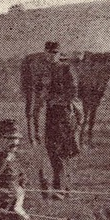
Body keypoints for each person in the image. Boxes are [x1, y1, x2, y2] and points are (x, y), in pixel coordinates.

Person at [42, 46, 82, 197]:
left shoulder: (66, 68)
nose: (52, 56)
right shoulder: (47, 69)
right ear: (46, 53)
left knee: (60, 151)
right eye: (49, 53)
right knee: (52, 149)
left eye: (55, 53)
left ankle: (61, 189)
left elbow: (73, 91)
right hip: (50, 113)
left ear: (59, 54)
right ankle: (62, 187)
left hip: (64, 113)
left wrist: (57, 100)